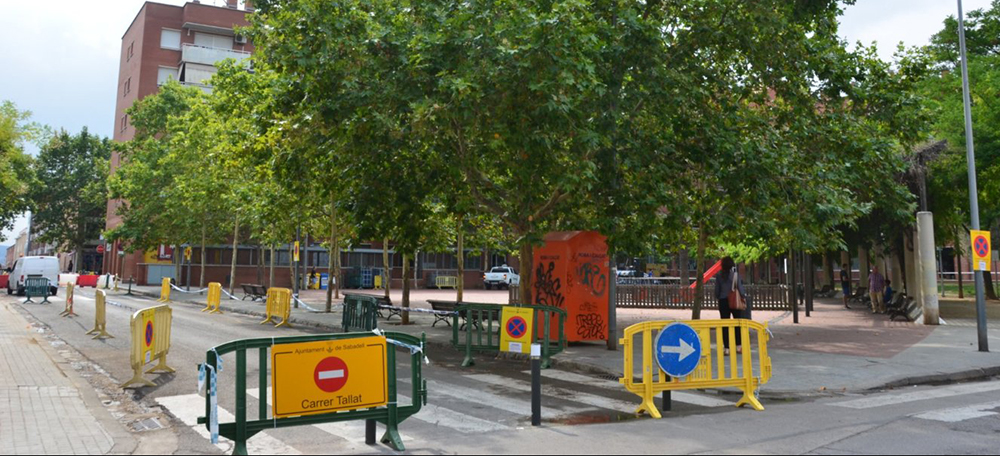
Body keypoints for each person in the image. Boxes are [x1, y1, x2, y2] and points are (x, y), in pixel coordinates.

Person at [714, 256, 746, 355]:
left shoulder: (719, 276)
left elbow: (717, 290)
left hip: (723, 301)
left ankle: (726, 348)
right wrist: (743, 297)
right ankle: (738, 346)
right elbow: (740, 288)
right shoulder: (735, 275)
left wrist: (719, 297)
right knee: (737, 323)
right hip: (735, 301)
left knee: (725, 324)